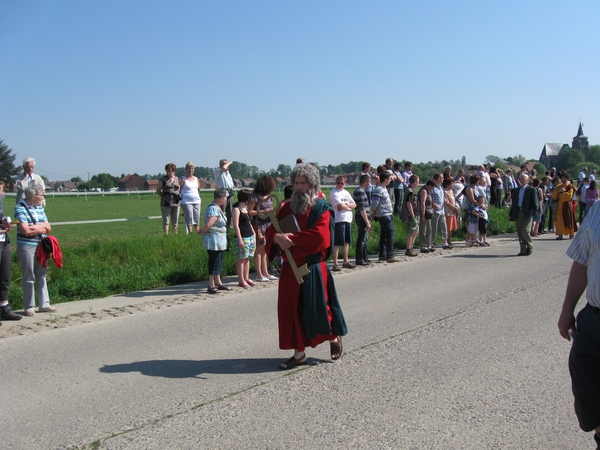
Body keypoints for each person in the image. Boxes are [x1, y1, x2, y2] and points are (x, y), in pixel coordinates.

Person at [264, 163, 347, 370]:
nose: (299, 187)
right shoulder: (286, 208)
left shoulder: (321, 208)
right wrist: (276, 238)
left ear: (312, 184)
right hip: (290, 269)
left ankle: (334, 338)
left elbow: (321, 237)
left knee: (320, 310)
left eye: (303, 183)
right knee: (293, 310)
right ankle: (299, 354)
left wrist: (290, 239)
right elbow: (271, 231)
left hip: (313, 268)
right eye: (296, 183)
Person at [557, 201, 600, 449]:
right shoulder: (597, 210)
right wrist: (567, 309)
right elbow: (582, 261)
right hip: (594, 320)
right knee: (587, 392)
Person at [14, 184, 55, 316]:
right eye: (41, 195)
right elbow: (25, 230)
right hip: (26, 246)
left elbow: (48, 227)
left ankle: (44, 304)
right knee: (28, 275)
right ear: (33, 196)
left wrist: (35, 228)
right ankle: (29, 306)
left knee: (42, 274)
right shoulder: (20, 208)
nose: (43, 197)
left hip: (40, 245)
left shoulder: (40, 208)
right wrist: (41, 227)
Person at [200, 188, 230, 294]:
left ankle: (218, 282)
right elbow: (209, 223)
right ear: (221, 198)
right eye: (226, 197)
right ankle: (211, 284)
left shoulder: (217, 208)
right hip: (214, 240)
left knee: (219, 260)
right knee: (214, 261)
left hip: (219, 241)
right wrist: (203, 231)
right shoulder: (213, 209)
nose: (226, 199)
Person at [248, 175, 276, 282]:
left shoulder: (268, 196)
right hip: (259, 224)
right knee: (259, 249)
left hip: (268, 223)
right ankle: (259, 274)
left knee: (264, 250)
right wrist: (263, 212)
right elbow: (250, 211)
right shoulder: (255, 196)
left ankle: (265, 272)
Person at [329, 175, 356, 271]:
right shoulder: (333, 192)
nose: (340, 185)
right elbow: (340, 205)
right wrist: (347, 206)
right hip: (339, 219)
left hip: (348, 218)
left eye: (342, 183)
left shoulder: (346, 192)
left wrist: (347, 205)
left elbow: (354, 204)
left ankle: (345, 261)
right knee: (337, 242)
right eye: (338, 183)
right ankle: (335, 263)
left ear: (345, 183)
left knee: (346, 241)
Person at [509, 173, 539, 256]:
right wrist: (511, 214)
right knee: (519, 232)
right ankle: (523, 249)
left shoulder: (532, 189)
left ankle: (530, 245)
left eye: (523, 179)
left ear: (527, 180)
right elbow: (514, 203)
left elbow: (535, 203)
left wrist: (534, 212)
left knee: (525, 231)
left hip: (528, 212)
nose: (521, 180)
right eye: (520, 179)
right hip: (518, 211)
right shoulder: (516, 190)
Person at [232, 189, 256, 289]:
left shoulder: (245, 208)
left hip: (250, 235)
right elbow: (236, 225)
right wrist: (240, 238)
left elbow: (249, 222)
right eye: (249, 197)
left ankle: (246, 277)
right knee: (241, 259)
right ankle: (241, 280)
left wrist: (253, 233)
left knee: (247, 258)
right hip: (243, 237)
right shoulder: (236, 209)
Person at [371, 172, 397, 263]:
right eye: (389, 178)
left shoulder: (384, 188)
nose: (390, 180)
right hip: (383, 214)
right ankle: (390, 255)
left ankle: (383, 254)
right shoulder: (378, 189)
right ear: (385, 179)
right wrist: (373, 214)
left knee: (384, 234)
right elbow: (375, 203)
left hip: (388, 214)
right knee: (390, 233)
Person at [0, 206, 20, 324]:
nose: (2, 193)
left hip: (4, 243)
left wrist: (5, 222)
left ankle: (4, 307)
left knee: (4, 276)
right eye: (1, 190)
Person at [353, 174, 372, 265]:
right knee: (362, 238)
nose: (370, 183)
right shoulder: (360, 191)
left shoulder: (361, 191)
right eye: (369, 181)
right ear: (365, 182)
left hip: (363, 217)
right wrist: (367, 221)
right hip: (362, 218)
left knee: (364, 238)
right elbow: (362, 208)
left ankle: (364, 257)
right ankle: (360, 259)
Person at [156, 163, 181, 235]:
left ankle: (175, 234)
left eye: (170, 171)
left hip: (176, 202)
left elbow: (179, 188)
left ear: (174, 171)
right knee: (166, 220)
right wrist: (163, 196)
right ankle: (166, 235)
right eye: (167, 171)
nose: (168, 173)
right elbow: (158, 190)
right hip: (166, 202)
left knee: (175, 221)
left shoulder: (177, 179)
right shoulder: (162, 179)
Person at [179, 162, 201, 234]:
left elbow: (198, 189)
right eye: (189, 169)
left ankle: (198, 231)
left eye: (192, 169)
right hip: (186, 201)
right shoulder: (183, 179)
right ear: (186, 169)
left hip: (196, 200)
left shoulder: (196, 179)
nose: (190, 170)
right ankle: (190, 232)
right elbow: (179, 189)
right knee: (189, 216)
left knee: (196, 217)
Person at [553, 173, 577, 240]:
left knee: (569, 218)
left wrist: (559, 195)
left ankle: (571, 233)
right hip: (560, 205)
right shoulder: (559, 186)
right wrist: (558, 191)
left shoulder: (570, 186)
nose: (563, 179)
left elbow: (568, 196)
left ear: (567, 178)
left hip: (567, 204)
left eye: (564, 178)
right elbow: (553, 194)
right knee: (559, 219)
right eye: (562, 178)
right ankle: (560, 234)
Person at [402, 175, 420, 257]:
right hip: (411, 214)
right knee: (411, 232)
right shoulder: (409, 191)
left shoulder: (412, 190)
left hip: (415, 213)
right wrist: (412, 215)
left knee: (416, 232)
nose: (419, 182)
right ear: (415, 182)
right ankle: (408, 249)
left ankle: (411, 248)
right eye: (418, 181)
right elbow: (408, 203)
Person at [215, 159, 235, 231]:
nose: (227, 165)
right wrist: (229, 162)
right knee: (222, 211)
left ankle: (230, 228)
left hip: (229, 192)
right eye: (225, 164)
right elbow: (223, 168)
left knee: (230, 211)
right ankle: (220, 227)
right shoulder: (218, 171)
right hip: (222, 192)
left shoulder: (228, 173)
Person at [431, 173, 449, 249]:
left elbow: (442, 197)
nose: (443, 179)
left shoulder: (441, 187)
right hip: (434, 211)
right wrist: (433, 204)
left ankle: (445, 243)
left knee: (444, 226)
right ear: (438, 178)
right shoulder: (432, 187)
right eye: (442, 177)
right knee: (434, 227)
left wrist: (445, 200)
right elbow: (427, 199)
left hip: (442, 210)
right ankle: (431, 243)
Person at [418, 180, 435, 253]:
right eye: (433, 187)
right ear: (430, 186)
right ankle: (423, 246)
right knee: (423, 230)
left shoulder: (427, 191)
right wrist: (423, 215)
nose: (433, 189)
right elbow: (422, 203)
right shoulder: (424, 191)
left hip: (428, 213)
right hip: (424, 213)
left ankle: (428, 245)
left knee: (429, 229)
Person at [443, 177, 459, 248]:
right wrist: (453, 207)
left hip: (453, 211)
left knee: (452, 227)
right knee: (448, 227)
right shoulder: (445, 191)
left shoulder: (451, 191)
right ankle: (446, 241)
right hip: (448, 211)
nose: (453, 185)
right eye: (452, 183)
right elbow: (447, 202)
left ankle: (449, 240)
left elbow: (454, 200)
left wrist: (456, 207)